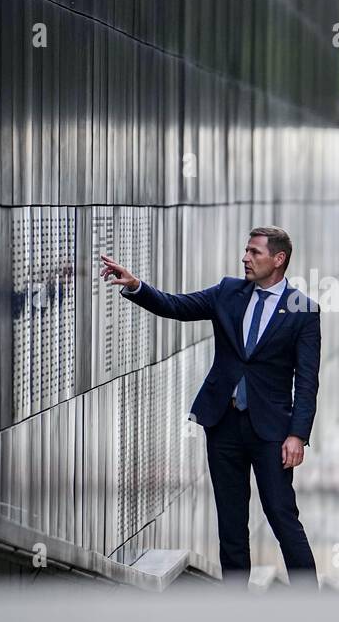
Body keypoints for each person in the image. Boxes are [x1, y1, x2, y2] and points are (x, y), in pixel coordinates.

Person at [100, 226, 320, 588]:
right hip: (224, 424)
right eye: (246, 251)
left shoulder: (303, 310)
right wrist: (135, 285)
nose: (245, 258)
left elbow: (307, 381)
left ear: (278, 259)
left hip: (272, 433)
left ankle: (310, 601)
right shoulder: (228, 292)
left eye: (254, 252)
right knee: (230, 520)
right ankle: (234, 603)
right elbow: (176, 305)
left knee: (281, 514)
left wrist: (297, 435)